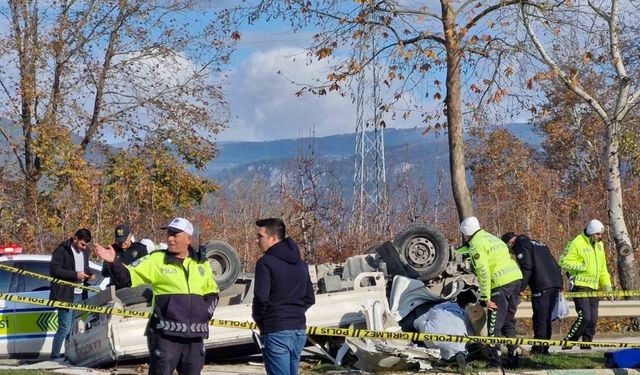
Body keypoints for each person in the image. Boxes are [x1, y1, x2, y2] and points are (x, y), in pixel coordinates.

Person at [95, 217, 219, 375]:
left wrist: (204, 314)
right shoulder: (156, 259)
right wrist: (114, 262)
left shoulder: (201, 264)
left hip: (195, 337)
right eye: (169, 234)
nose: (170, 238)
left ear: (188, 238)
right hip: (165, 335)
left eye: (175, 234)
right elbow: (127, 277)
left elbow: (213, 293)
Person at [457, 217, 523, 368]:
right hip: (515, 279)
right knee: (508, 321)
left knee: (494, 326)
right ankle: (513, 359)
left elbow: (484, 272)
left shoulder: (476, 245)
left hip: (500, 284)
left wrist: (486, 297)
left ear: (466, 233)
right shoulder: (492, 238)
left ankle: (495, 362)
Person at [252, 218, 315, 375]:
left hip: (276, 330)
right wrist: (295, 313)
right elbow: (310, 298)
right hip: (299, 331)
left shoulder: (265, 263)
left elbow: (261, 298)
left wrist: (261, 319)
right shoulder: (301, 265)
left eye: (260, 236)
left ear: (273, 239)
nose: (257, 240)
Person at [501, 232, 562, 355]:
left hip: (541, 284)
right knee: (546, 319)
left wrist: (520, 288)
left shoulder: (521, 245)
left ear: (510, 243)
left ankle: (539, 349)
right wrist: (560, 283)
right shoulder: (539, 243)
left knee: (540, 318)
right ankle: (544, 348)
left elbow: (527, 267)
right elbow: (555, 264)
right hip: (554, 283)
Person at [559, 219, 612, 350]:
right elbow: (563, 261)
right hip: (580, 284)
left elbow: (602, 268)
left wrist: (607, 287)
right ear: (591, 233)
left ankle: (586, 345)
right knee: (585, 317)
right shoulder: (576, 242)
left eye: (601, 234)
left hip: (594, 286)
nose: (600, 237)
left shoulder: (599, 245)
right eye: (598, 234)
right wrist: (581, 266)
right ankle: (569, 342)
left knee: (593, 319)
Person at [49, 228, 96, 359]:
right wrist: (75, 275)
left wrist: (89, 275)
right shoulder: (61, 250)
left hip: (81, 294)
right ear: (75, 239)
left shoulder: (86, 251)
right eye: (82, 244)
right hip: (65, 294)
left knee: (75, 328)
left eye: (86, 244)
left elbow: (85, 268)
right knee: (65, 328)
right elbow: (54, 271)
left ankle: (68, 355)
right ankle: (55, 356)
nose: (84, 247)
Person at [101, 224, 149, 288]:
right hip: (116, 288)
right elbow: (104, 273)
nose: (122, 243)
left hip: (135, 287)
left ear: (130, 236)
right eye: (119, 241)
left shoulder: (140, 249)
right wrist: (115, 266)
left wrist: (129, 269)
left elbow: (147, 270)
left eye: (124, 240)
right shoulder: (111, 250)